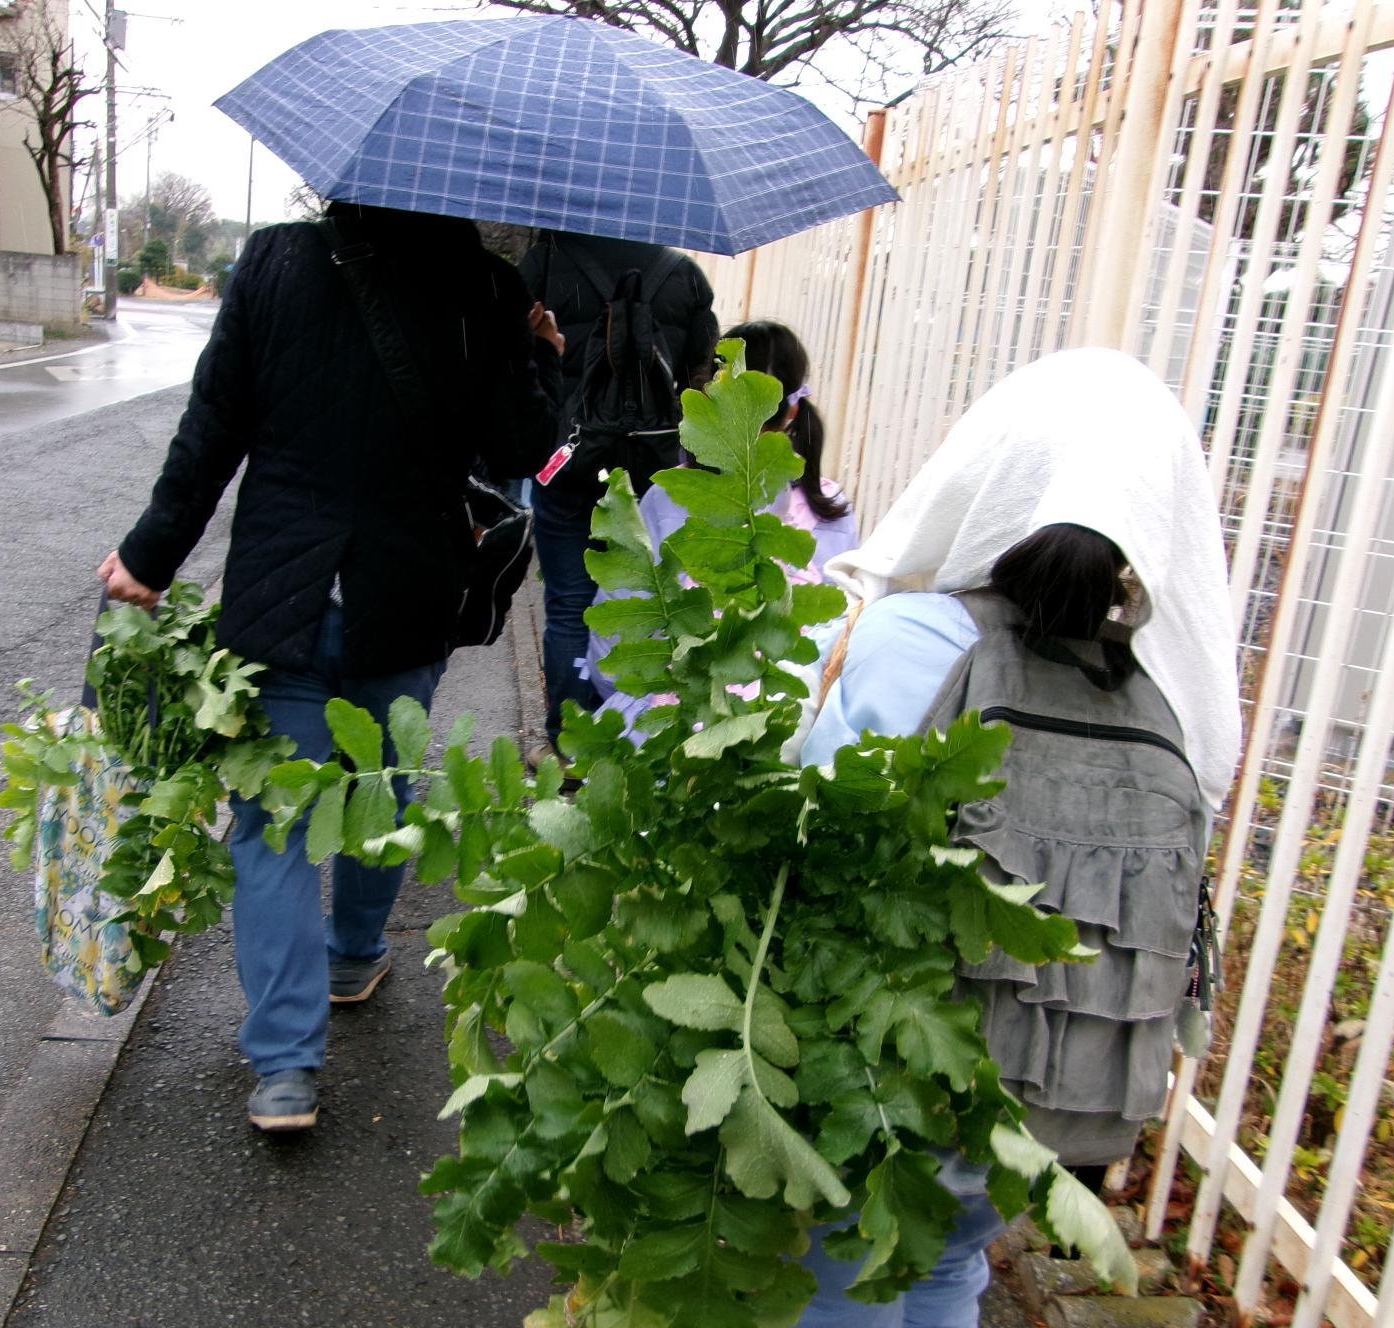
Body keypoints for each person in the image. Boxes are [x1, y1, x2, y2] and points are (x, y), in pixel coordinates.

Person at [757, 349, 1241, 1328]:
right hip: (1037, 1101)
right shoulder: (1164, 695)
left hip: (877, 1087)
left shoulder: (912, 639)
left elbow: (805, 851)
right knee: (941, 1279)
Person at [97, 201, 562, 1133]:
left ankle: (284, 1068)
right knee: (381, 783)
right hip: (408, 593)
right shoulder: (485, 284)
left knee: (273, 824)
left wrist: (150, 558)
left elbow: (213, 426)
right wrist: (536, 351)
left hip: (284, 590)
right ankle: (355, 953)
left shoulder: (276, 260)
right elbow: (527, 452)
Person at [582, 319, 857, 731]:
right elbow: (841, 642)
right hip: (786, 733)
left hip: (672, 727)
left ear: (709, 399)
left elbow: (614, 642)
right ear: (794, 411)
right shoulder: (832, 510)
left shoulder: (671, 497)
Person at [514, 230, 719, 752]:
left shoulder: (543, 264)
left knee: (567, 605)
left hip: (568, 462)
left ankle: (568, 744)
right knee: (644, 600)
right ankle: (634, 735)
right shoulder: (683, 274)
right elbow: (703, 375)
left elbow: (515, 361)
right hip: (653, 468)